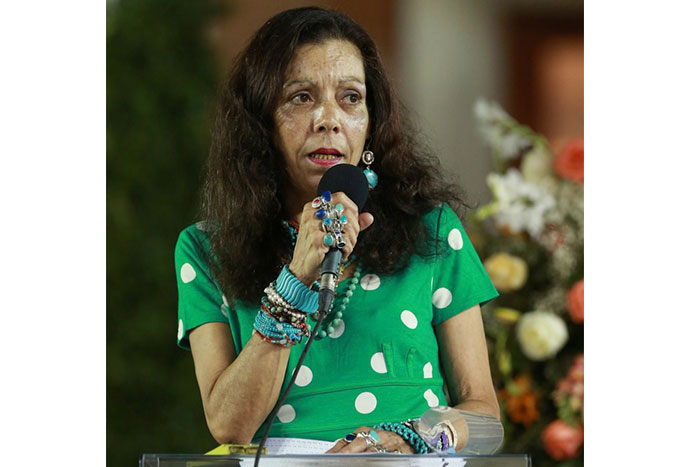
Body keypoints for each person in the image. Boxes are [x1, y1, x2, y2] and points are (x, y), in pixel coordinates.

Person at [175, 6, 501, 455]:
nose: (328, 119)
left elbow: (486, 420)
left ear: (370, 122)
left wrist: (409, 439)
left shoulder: (433, 230)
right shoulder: (205, 249)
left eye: (350, 98)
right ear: (261, 121)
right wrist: (296, 280)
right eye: (301, 97)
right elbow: (228, 425)